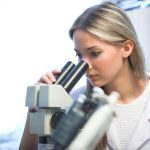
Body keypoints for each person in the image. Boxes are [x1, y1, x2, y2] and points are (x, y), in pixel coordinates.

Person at [19, 1, 150, 150]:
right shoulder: (72, 103)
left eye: (94, 53)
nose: (85, 66)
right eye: (79, 55)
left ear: (126, 48)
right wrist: (36, 109)